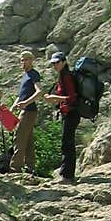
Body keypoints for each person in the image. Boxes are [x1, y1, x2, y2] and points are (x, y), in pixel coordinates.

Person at [43, 51, 79, 182]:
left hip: (71, 113)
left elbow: (72, 98)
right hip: (68, 113)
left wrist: (54, 97)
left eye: (57, 62)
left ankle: (67, 175)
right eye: (53, 63)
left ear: (64, 62)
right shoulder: (62, 76)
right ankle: (66, 173)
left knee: (67, 143)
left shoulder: (67, 77)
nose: (55, 65)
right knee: (66, 142)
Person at [9, 51, 43, 174]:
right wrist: (13, 107)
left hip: (29, 111)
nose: (23, 62)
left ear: (31, 60)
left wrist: (26, 103)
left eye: (26, 59)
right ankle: (30, 167)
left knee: (19, 137)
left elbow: (39, 91)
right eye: (21, 60)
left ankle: (15, 168)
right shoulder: (26, 75)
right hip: (24, 110)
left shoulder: (34, 74)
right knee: (28, 139)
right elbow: (21, 95)